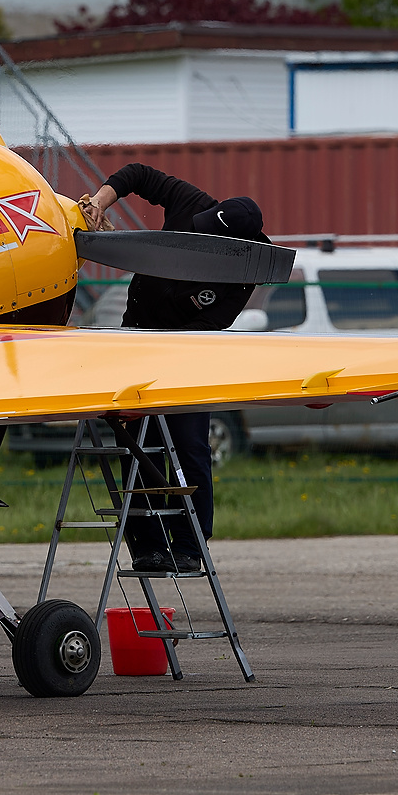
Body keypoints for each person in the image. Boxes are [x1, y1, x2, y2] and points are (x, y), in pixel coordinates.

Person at [83, 164, 269, 574]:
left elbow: (204, 326)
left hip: (188, 355)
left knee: (190, 450)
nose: (200, 238)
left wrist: (159, 386)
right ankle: (147, 546)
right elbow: (138, 175)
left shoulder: (245, 273)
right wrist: (100, 201)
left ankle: (189, 545)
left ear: (235, 248)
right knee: (136, 447)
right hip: (137, 340)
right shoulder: (192, 203)